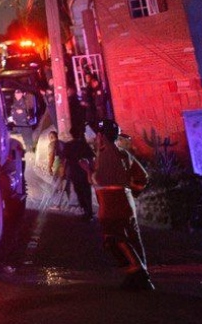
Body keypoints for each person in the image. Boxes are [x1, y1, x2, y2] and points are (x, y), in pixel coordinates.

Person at [81, 120, 151, 290]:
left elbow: (99, 180)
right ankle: (135, 276)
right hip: (125, 203)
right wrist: (131, 192)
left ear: (102, 136)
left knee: (114, 239)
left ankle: (139, 274)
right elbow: (142, 177)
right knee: (131, 239)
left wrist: (87, 170)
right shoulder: (123, 154)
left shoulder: (106, 154)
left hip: (111, 203)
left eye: (98, 134)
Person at [59, 130, 95, 221]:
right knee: (87, 191)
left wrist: (62, 171)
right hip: (84, 171)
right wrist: (91, 169)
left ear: (71, 134)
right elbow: (91, 158)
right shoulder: (84, 145)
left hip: (74, 172)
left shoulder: (68, 145)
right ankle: (88, 211)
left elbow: (64, 160)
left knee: (78, 191)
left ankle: (84, 209)